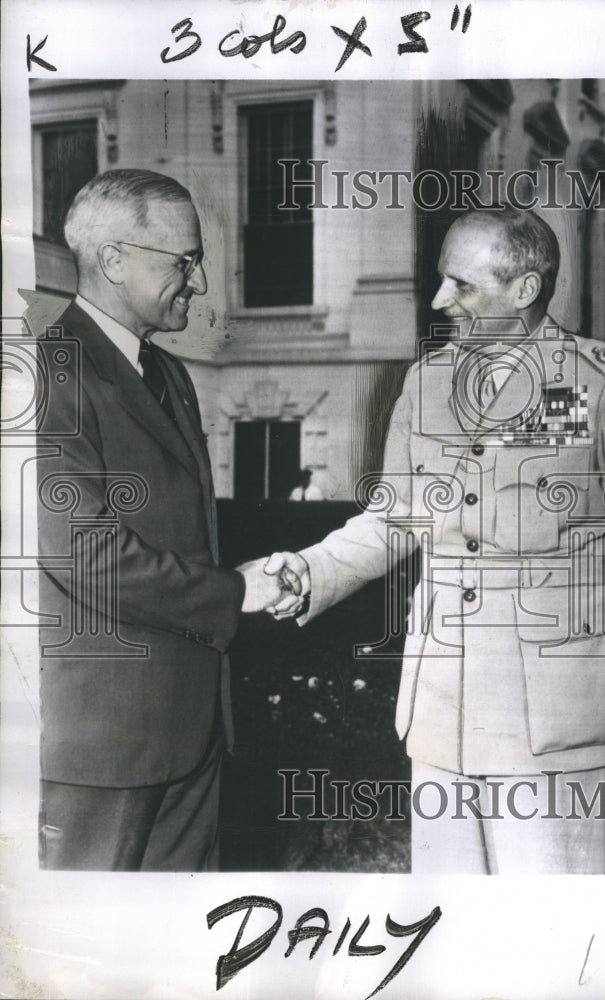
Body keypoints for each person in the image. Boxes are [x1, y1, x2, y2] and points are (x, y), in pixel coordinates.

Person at [256, 206, 605, 874]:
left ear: (523, 289)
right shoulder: (426, 383)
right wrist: (312, 572)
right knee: (450, 924)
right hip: (442, 711)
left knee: (548, 936)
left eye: (461, 285)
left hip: (557, 724)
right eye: (442, 281)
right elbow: (395, 517)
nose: (441, 300)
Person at [36, 169, 282, 871]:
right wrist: (237, 593)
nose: (198, 283)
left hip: (192, 737)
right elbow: (84, 553)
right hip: (101, 752)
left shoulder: (168, 375)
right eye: (185, 261)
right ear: (114, 259)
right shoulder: (46, 372)